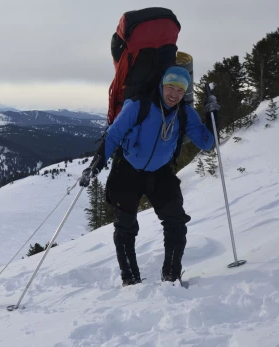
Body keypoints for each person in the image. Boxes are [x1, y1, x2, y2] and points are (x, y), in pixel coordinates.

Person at [79, 65, 221, 286]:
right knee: (125, 226)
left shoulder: (184, 113)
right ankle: (131, 280)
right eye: (170, 87)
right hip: (127, 169)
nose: (174, 94)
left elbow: (208, 142)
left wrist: (213, 114)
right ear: (162, 85)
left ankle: (171, 277)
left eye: (180, 91)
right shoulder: (139, 106)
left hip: (160, 172)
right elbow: (113, 136)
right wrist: (95, 166)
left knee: (175, 221)